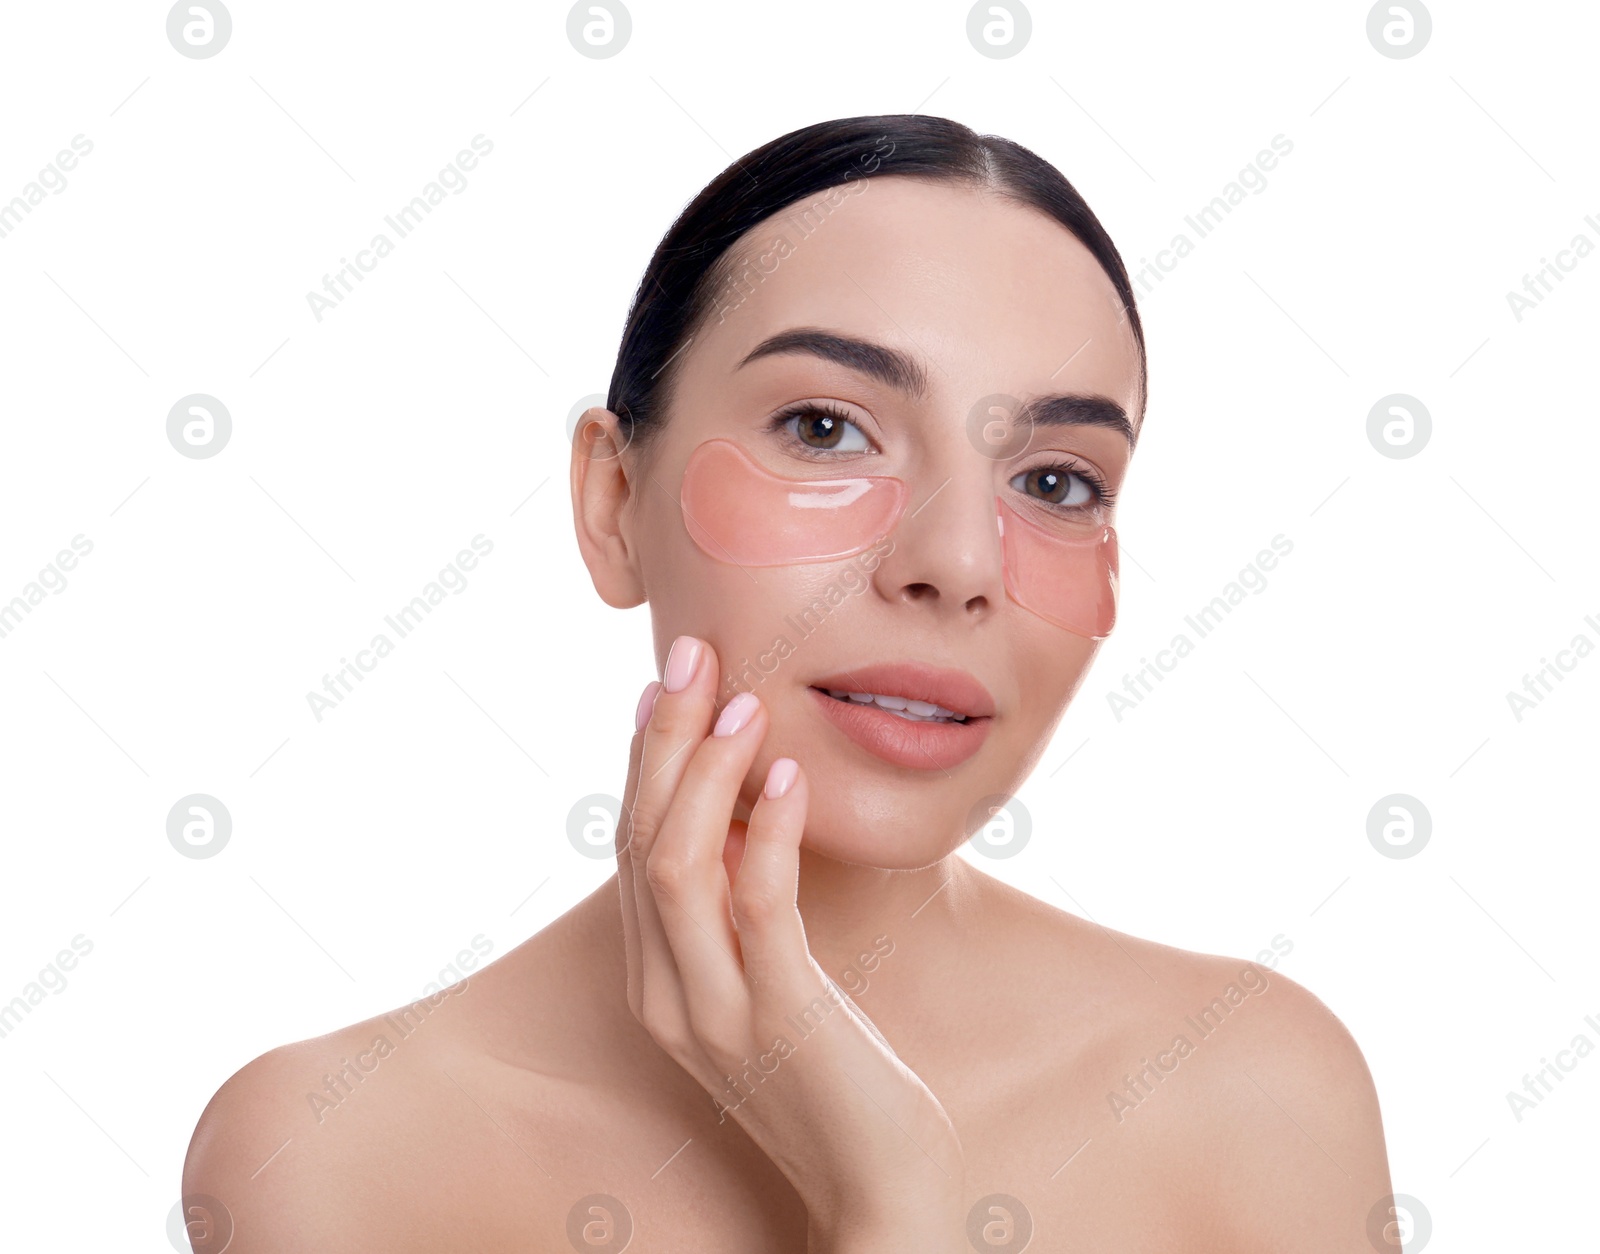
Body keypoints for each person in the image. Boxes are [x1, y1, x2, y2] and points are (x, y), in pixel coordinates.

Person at [184, 113, 1393, 1253]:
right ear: (613, 505)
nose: (958, 564)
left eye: (1057, 482)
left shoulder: (1256, 1093)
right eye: (825, 429)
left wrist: (895, 1191)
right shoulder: (332, 1153)